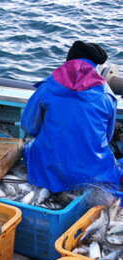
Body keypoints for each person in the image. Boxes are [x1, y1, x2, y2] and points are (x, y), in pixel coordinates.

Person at [21, 40, 123, 193]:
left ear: (68, 61)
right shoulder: (107, 95)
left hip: (48, 168)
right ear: (96, 66)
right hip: (92, 173)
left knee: (29, 147)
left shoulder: (47, 87)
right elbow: (107, 138)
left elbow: (29, 126)